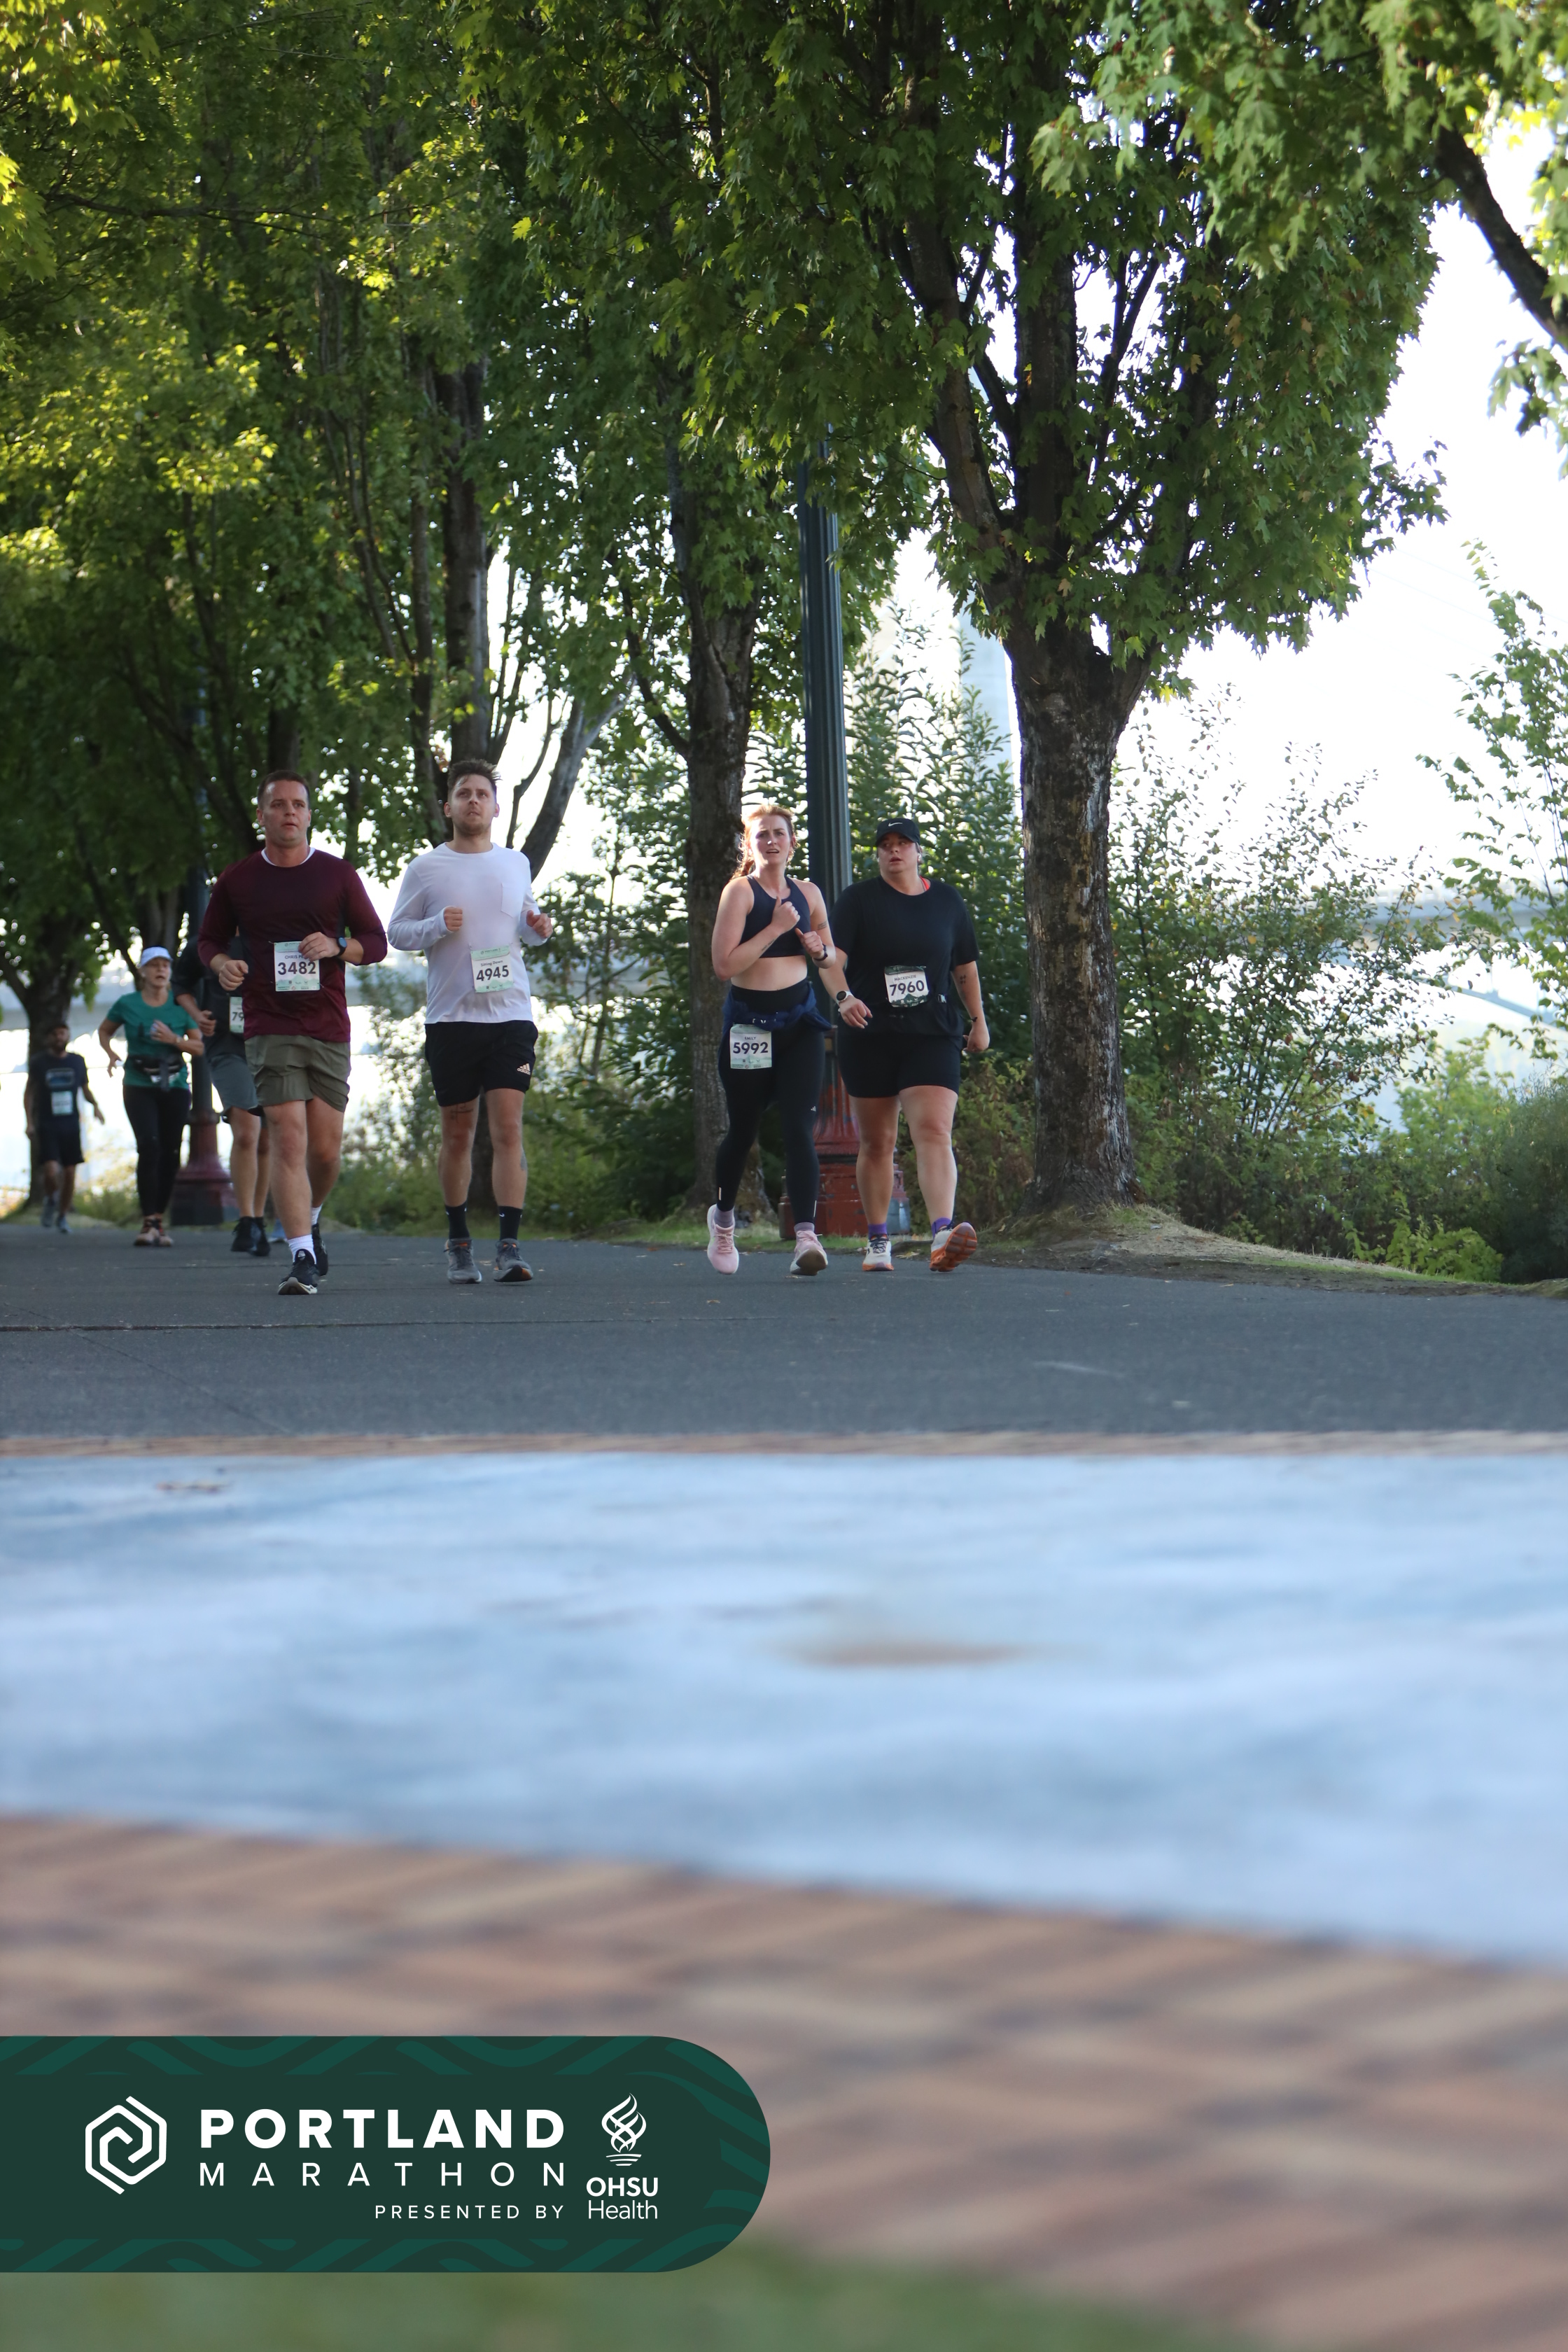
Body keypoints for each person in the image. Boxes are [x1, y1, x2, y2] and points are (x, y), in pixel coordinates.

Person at [198, 769, 388, 1297]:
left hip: (327, 1026)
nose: (289, 813)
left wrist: (338, 946)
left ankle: (313, 1216)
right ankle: (301, 1254)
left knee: (324, 1153)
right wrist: (222, 965)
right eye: (278, 805)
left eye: (298, 805)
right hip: (268, 1025)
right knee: (287, 1137)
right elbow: (209, 940)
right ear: (262, 815)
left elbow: (376, 941)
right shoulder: (238, 879)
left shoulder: (336, 874)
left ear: (308, 815)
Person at [386, 757, 553, 1283]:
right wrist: (437, 924)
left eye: (482, 793)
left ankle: (510, 1247)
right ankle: (459, 1242)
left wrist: (538, 927)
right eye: (464, 793)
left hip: (511, 1016)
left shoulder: (515, 863)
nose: (474, 801)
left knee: (509, 1129)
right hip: (452, 1019)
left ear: (496, 807)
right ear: (449, 807)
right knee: (458, 1134)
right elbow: (397, 932)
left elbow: (523, 925)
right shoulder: (426, 868)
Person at [830, 814, 990, 1274]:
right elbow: (832, 960)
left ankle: (942, 1234)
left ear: (919, 851)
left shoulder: (947, 901)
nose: (895, 850)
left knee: (935, 1130)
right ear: (878, 854)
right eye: (886, 844)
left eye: (904, 843)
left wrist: (978, 1021)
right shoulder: (858, 900)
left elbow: (964, 967)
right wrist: (843, 998)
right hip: (870, 1032)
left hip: (932, 1031)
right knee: (878, 1141)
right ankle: (878, 1239)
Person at [706, 806, 838, 1279]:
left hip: (799, 1026)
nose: (771, 841)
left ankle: (806, 1236)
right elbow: (724, 965)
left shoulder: (810, 894)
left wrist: (822, 952)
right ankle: (723, 1221)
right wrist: (777, 929)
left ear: (792, 842)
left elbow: (830, 955)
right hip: (749, 1029)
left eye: (779, 833)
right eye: (761, 834)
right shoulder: (740, 893)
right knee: (744, 1130)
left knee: (800, 1128)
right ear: (750, 844)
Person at [97, 946, 205, 1245]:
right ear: (143, 971)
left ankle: (159, 1218)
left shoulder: (180, 1005)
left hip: (175, 1085)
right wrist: (111, 1054)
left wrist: (174, 1039)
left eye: (165, 966)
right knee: (149, 1146)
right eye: (154, 965)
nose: (160, 970)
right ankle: (148, 1222)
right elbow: (104, 1031)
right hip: (138, 1084)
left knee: (171, 1150)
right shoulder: (127, 1003)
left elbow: (199, 1047)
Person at [175, 932, 272, 1256]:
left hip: (273, 1044)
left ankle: (258, 1218)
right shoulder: (206, 944)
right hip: (227, 1045)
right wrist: (197, 1014)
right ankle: (246, 1220)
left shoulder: (274, 934)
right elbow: (180, 983)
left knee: (267, 1139)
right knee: (247, 1132)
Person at [24, 1021, 104, 1233]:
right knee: (51, 1171)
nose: (59, 1037)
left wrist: (96, 1106)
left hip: (70, 1124)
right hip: (47, 1123)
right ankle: (51, 1198)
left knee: (70, 1172)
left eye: (63, 1033)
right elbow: (29, 1092)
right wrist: (29, 1122)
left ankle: (62, 1215)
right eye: (55, 1034)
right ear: (49, 1038)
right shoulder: (39, 1062)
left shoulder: (77, 1061)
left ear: (68, 1035)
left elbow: (85, 1088)